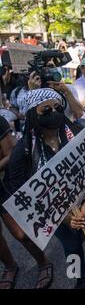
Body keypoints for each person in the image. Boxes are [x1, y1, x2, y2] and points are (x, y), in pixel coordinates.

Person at [2, 88, 85, 289]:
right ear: (32, 114)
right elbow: (22, 195)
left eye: (58, 108)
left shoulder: (78, 133)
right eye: (45, 110)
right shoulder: (23, 153)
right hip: (54, 217)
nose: (54, 113)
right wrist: (62, 218)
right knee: (71, 249)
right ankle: (79, 277)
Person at [0, 115, 18, 289]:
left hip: (3, 186)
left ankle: (43, 262)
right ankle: (10, 266)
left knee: (20, 234)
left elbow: (10, 154)